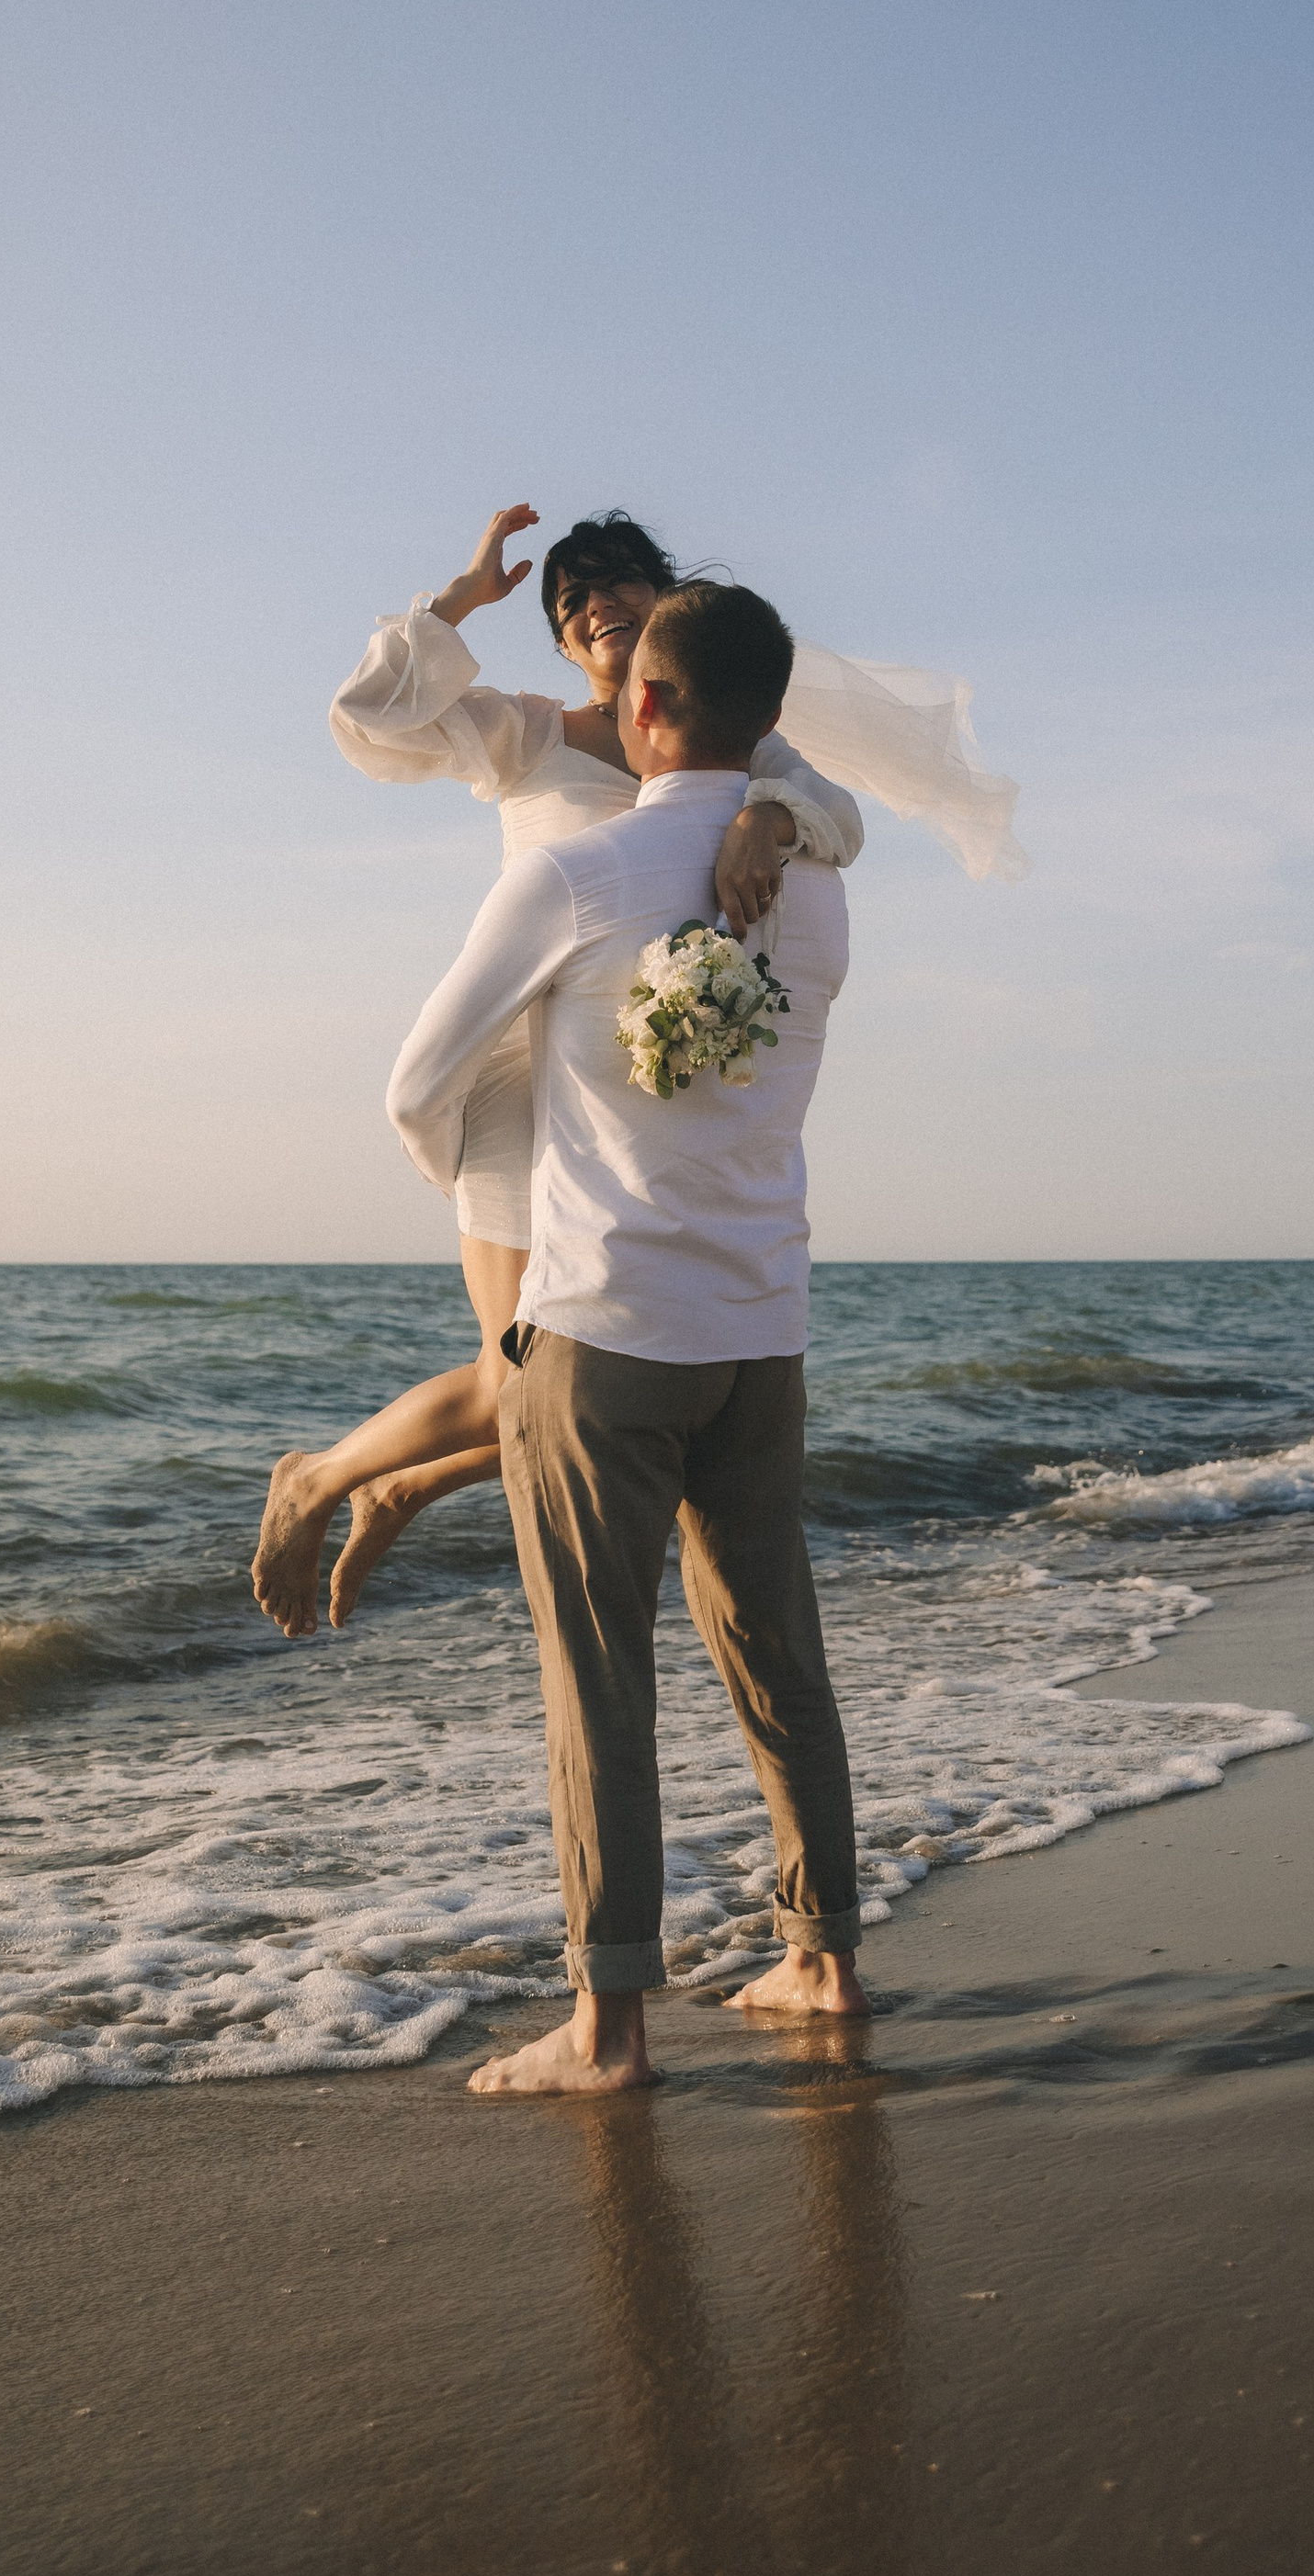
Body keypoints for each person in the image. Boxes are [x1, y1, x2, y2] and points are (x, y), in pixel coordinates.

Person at [380, 578, 869, 2092]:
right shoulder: (820, 888)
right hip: (761, 1320)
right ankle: (823, 1959)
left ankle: (606, 2030)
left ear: (641, 707)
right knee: (774, 1648)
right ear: (769, 722)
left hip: (597, 1325)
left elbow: (414, 1084)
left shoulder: (576, 875)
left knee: (599, 1668)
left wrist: (483, 1186)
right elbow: (819, 828)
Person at [250, 506, 867, 1633]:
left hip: (636, 1090)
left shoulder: (740, 748)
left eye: (617, 582)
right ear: (567, 643)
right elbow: (368, 718)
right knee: (520, 1378)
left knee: (607, 1365)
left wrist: (768, 819)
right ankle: (322, 1477)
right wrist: (458, 601)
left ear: (666, 602)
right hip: (516, 1076)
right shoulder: (526, 733)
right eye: (569, 600)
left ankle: (404, 1482)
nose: (592, 605)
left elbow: (840, 814)